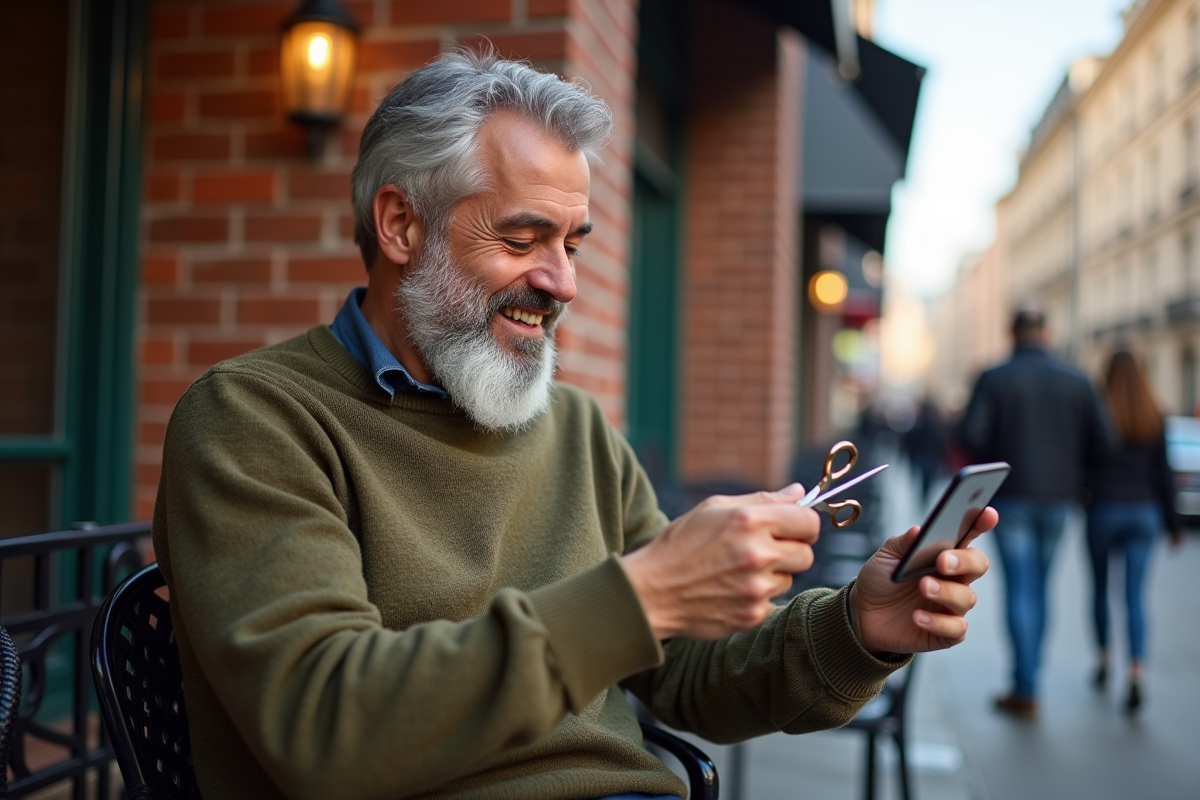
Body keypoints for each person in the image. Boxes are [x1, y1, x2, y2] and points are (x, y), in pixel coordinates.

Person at [152, 50, 996, 800]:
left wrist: (856, 629)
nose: (562, 283)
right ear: (401, 224)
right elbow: (325, 729)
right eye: (523, 238)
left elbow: (688, 674)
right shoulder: (253, 418)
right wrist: (645, 592)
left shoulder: (575, 427)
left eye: (575, 244)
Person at [960, 304, 1114, 718]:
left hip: (1011, 495)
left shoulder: (994, 377)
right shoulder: (1078, 379)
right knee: (1041, 588)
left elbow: (971, 433)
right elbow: (1105, 440)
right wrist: (1076, 476)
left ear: (1012, 332)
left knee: (1020, 589)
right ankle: (1031, 678)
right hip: (1060, 497)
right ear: (1046, 332)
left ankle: (1024, 684)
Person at [1084, 350, 1183, 713]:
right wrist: (1173, 525)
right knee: (1135, 596)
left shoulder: (1098, 412)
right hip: (1144, 513)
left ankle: (1104, 660)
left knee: (1100, 590)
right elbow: (1164, 474)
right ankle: (1137, 671)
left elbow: (1085, 465)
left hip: (1104, 510)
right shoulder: (1154, 414)